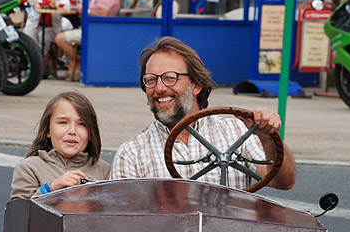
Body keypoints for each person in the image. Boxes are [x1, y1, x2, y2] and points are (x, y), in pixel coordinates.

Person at [110, 37, 296, 190]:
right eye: (151, 80)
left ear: (196, 85)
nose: (159, 88)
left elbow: (283, 182)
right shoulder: (131, 153)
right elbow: (123, 221)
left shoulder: (236, 130)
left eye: (169, 78)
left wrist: (268, 138)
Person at [11, 92, 110, 199]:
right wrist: (52, 188)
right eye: (63, 122)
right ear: (47, 130)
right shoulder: (29, 168)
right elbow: (19, 212)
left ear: (91, 133)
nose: (72, 131)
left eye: (82, 124)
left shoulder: (104, 172)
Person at [54, 0, 120, 81]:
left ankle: (77, 66)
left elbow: (104, 14)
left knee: (60, 38)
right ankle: (73, 68)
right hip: (92, 29)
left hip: (98, 32)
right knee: (64, 32)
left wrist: (85, 11)